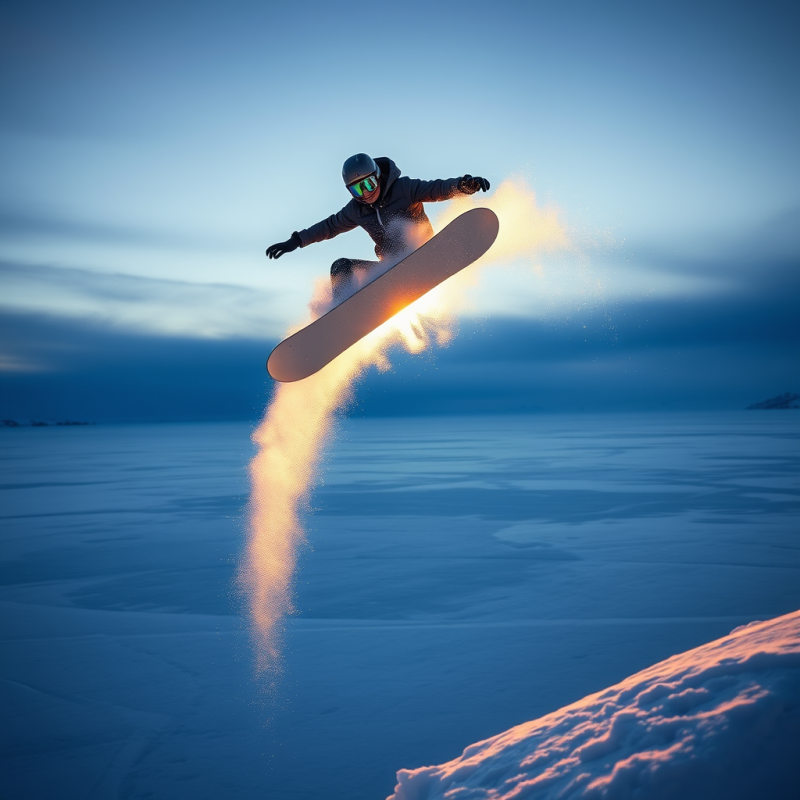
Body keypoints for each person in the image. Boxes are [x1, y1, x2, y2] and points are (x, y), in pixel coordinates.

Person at [266, 154, 490, 299]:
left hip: (420, 252)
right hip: (391, 269)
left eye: (369, 183)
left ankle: (417, 262)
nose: (365, 193)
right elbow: (330, 226)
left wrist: (463, 185)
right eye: (357, 189)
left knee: (398, 231)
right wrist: (296, 240)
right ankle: (344, 313)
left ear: (378, 176)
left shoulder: (403, 188)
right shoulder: (356, 210)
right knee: (341, 267)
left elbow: (435, 189)